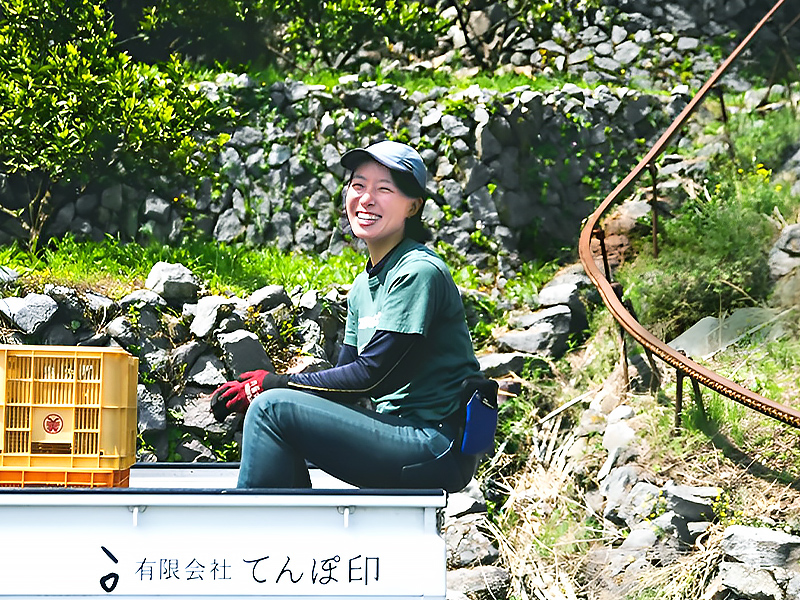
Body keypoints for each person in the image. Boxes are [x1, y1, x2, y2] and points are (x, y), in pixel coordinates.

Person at [210, 140, 493, 492]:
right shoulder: (363, 285)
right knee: (277, 415)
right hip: (391, 432)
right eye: (358, 185)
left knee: (271, 409)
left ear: (413, 206)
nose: (366, 198)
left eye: (384, 189)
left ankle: (246, 537)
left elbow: (370, 377)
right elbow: (342, 381)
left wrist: (271, 384)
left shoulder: (418, 272)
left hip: (433, 443)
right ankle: (291, 543)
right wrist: (259, 386)